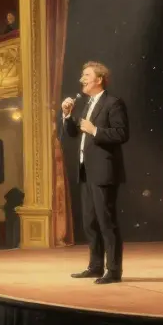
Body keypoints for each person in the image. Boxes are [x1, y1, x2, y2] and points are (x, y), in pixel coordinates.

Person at [61, 61, 130, 284]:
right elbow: (72, 133)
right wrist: (67, 115)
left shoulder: (113, 103)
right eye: (82, 75)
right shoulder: (86, 104)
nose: (82, 78)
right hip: (87, 171)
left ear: (99, 79)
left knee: (106, 222)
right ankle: (95, 266)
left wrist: (95, 130)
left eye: (86, 75)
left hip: (104, 171)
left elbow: (121, 134)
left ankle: (114, 270)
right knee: (90, 222)